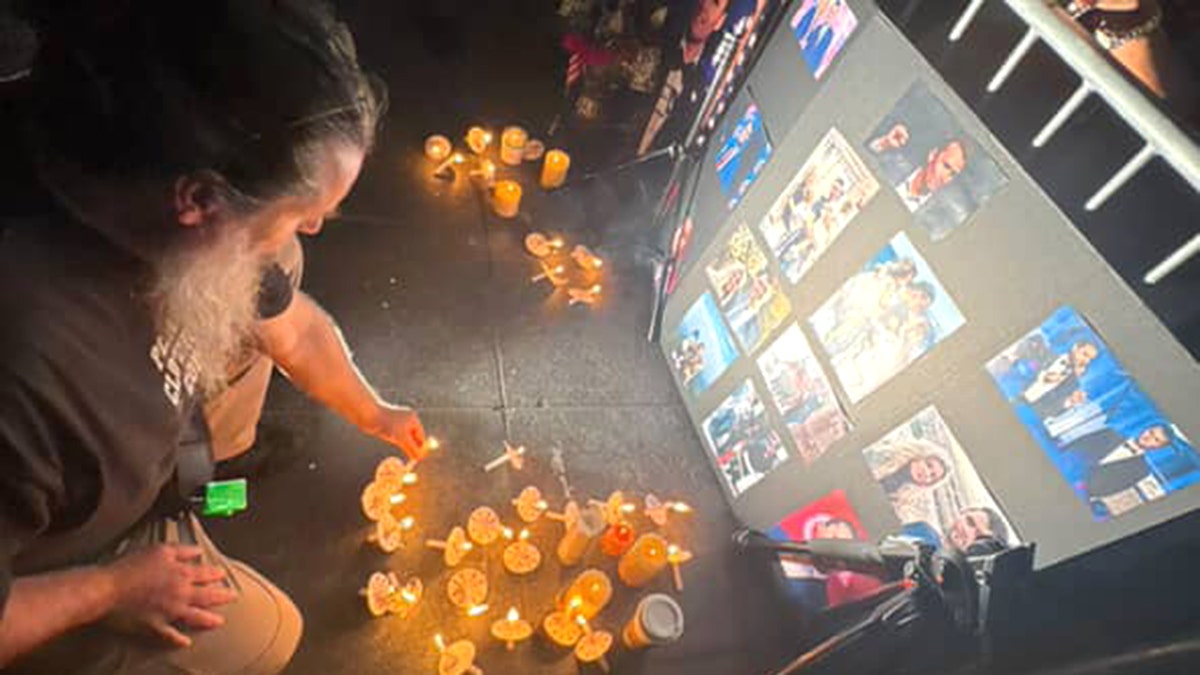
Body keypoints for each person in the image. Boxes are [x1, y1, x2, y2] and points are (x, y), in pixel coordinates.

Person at [0, 2, 427, 672]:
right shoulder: (31, 367)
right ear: (198, 201)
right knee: (274, 634)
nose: (316, 226)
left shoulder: (143, 176)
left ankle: (208, 472)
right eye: (305, 210)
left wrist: (373, 409)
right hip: (72, 563)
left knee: (278, 266)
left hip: (132, 465)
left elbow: (297, 331)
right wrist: (110, 590)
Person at [637, 0, 730, 155]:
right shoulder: (661, 37)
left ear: (720, 21)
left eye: (715, 2)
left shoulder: (706, 83)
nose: (705, 5)